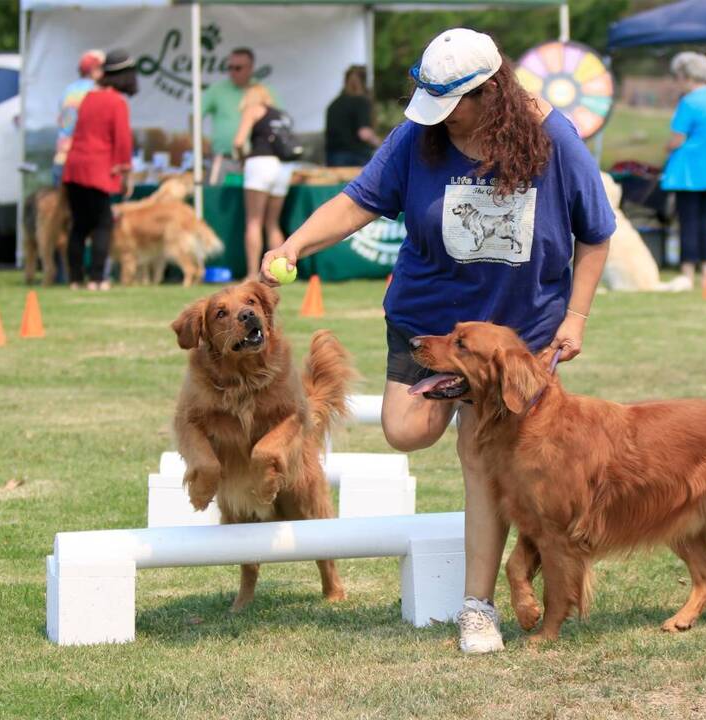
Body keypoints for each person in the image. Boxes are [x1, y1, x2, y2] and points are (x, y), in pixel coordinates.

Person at [259, 28, 615, 653]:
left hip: (512, 336)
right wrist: (293, 244)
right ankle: (524, 558)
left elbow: (596, 231)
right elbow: (357, 202)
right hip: (430, 318)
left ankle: (478, 608)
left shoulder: (553, 139)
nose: (441, 120)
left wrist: (577, 316)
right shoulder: (416, 139)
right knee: (407, 429)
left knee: (483, 460)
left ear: (491, 92)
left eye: (453, 107)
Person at [61, 49, 137, 291]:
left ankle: (74, 279)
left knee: (79, 225)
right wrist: (125, 172)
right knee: (103, 223)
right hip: (97, 168)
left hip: (74, 167)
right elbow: (122, 141)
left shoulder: (89, 97)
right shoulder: (117, 102)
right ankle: (96, 278)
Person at [661, 51, 706, 289]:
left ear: (688, 76)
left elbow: (677, 138)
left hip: (687, 173)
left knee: (687, 223)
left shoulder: (689, 101)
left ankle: (687, 273)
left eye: (678, 76)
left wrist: (666, 148)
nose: (677, 81)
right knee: (705, 223)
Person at [232, 86, 293, 280]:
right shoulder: (280, 115)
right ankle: (282, 271)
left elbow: (239, 142)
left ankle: (252, 273)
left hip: (260, 164)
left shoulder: (253, 110)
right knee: (273, 223)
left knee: (254, 221)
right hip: (282, 168)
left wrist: (242, 158)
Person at [202, 47, 276, 185]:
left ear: (250, 68)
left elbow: (276, 121)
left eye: (238, 68)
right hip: (224, 159)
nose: (232, 72)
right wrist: (199, 145)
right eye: (230, 67)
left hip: (255, 161)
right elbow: (195, 116)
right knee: (215, 201)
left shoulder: (262, 92)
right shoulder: (217, 90)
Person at [52, 49, 104, 186]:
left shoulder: (69, 90)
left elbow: (65, 124)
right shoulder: (97, 92)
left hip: (62, 158)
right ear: (95, 70)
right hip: (85, 164)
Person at [324, 65, 381, 167]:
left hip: (333, 157)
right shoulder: (362, 101)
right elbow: (364, 133)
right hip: (356, 157)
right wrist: (381, 144)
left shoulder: (334, 104)